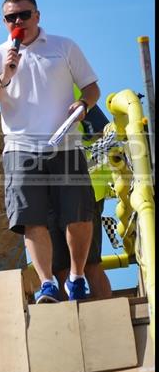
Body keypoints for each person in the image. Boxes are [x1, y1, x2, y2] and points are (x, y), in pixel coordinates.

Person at [0, 0, 100, 303]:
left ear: (37, 16)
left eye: (24, 15)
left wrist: (84, 104)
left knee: (79, 214)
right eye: (11, 17)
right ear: (4, 22)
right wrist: (4, 77)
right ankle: (47, 284)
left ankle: (77, 276)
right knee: (32, 219)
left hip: (66, 142)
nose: (18, 22)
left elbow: (92, 87)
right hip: (20, 147)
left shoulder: (64, 46)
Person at [48, 102, 114, 300]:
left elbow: (102, 135)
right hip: (49, 191)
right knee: (60, 269)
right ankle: (70, 327)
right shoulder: (20, 93)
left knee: (90, 265)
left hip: (85, 188)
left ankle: (109, 320)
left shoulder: (74, 90)